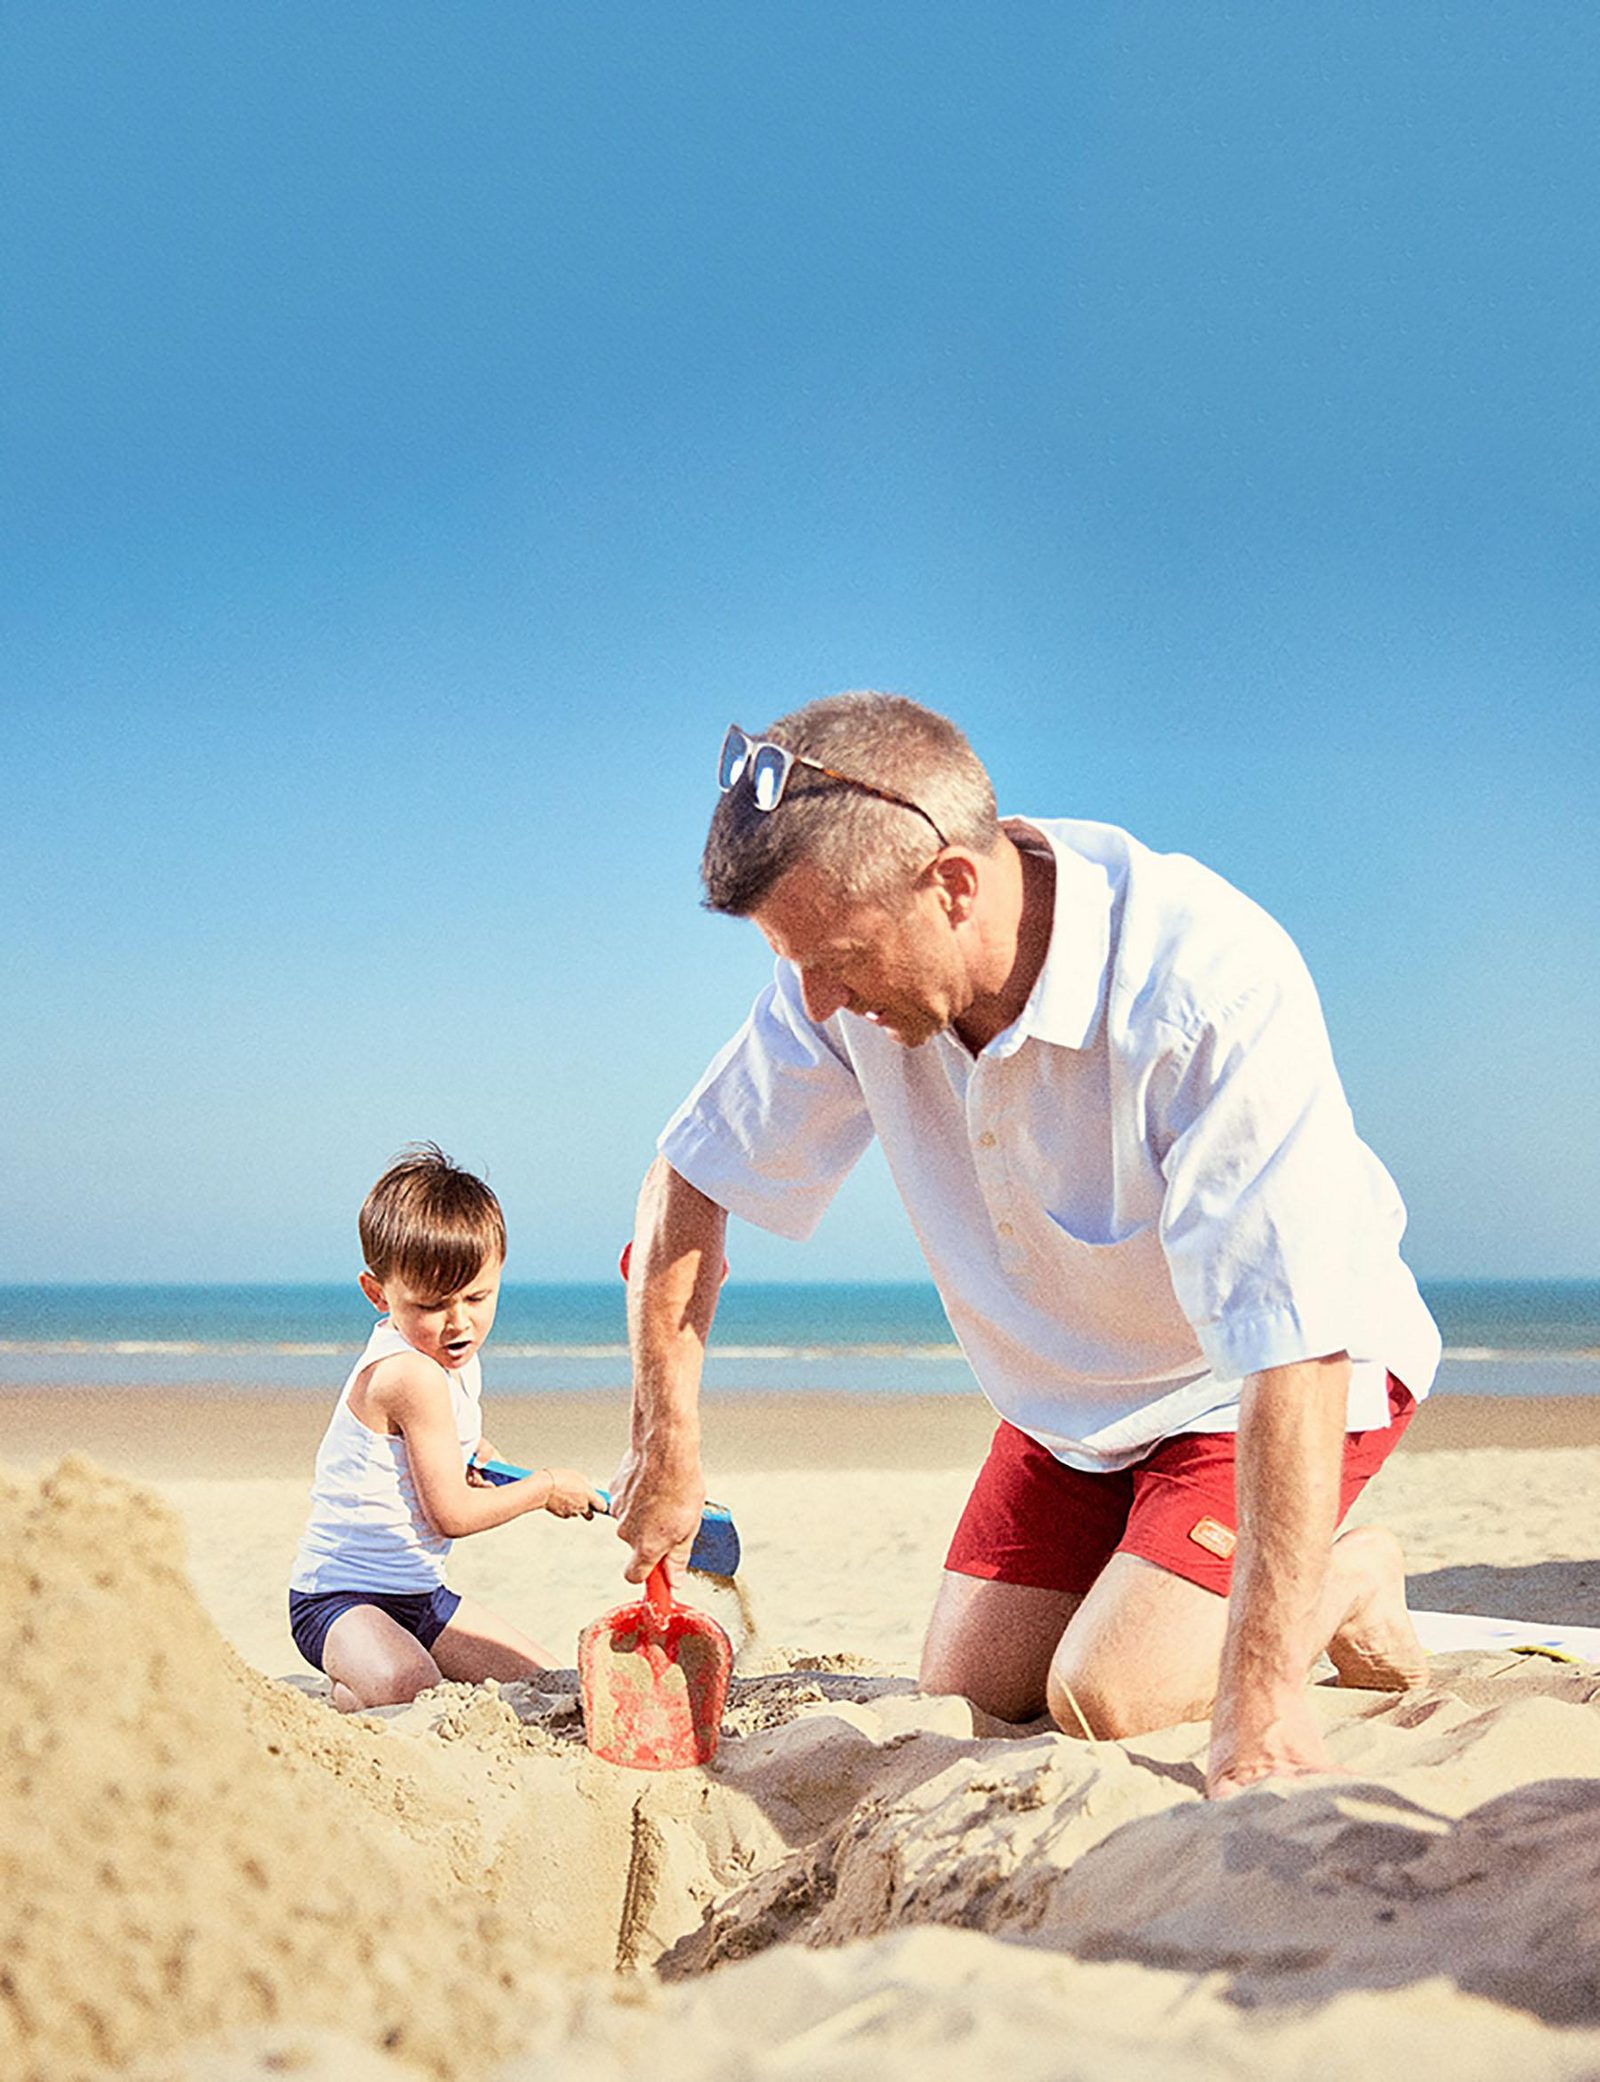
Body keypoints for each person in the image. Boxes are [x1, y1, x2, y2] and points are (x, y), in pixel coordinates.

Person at [609, 692, 1442, 1799]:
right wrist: (667, 1441)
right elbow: (690, 1177)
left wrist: (1262, 1703)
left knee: (1109, 1696)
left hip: (1250, 1386)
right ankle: (1161, 1581)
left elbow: (1291, 1341)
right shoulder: (836, 987)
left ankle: (1347, 1579)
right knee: (968, 1685)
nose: (814, 998)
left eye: (837, 957)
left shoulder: (1203, 987)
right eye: (790, 960)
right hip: (1070, 1407)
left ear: (951, 884)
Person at [289, 1144, 604, 1710]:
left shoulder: (454, 1358)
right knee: (410, 1688)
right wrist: (545, 1487)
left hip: (419, 1597)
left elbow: (453, 1441)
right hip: (339, 1600)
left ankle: (376, 1670)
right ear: (377, 1293)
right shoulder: (409, 1373)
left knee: (546, 1681)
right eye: (432, 1305)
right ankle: (347, 1693)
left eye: (478, 1296)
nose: (459, 1322)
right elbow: (451, 1515)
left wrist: (480, 1456)